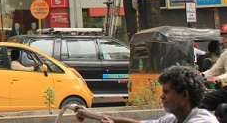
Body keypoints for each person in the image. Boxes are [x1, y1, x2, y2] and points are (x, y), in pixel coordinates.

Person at [76, 66, 217, 123]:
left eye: (166, 92)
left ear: (184, 95)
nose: (162, 97)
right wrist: (91, 115)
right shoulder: (173, 119)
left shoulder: (202, 120)